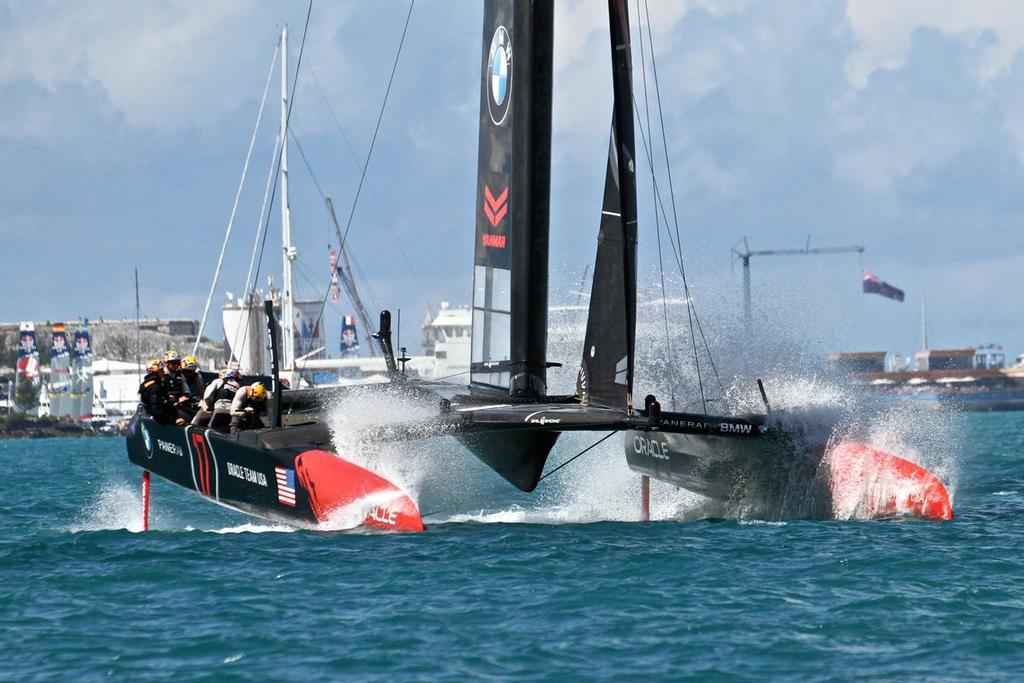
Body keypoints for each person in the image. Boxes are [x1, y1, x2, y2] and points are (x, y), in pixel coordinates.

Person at [138, 359, 184, 426]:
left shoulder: (146, 384)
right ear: (156, 372)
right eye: (161, 370)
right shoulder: (155, 387)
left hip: (147, 418)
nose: (164, 372)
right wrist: (174, 420)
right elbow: (156, 411)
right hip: (154, 423)